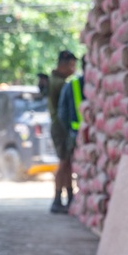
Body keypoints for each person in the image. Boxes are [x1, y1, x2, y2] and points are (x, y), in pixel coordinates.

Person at [48, 50, 77, 214]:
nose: (73, 69)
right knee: (63, 163)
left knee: (67, 164)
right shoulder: (60, 83)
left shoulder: (56, 80)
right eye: (72, 65)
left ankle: (68, 197)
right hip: (60, 127)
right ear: (63, 65)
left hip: (60, 126)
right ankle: (57, 199)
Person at [57, 56, 85, 207]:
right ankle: (63, 198)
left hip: (75, 133)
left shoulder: (75, 83)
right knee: (66, 165)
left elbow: (62, 113)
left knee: (70, 166)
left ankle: (69, 199)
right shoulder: (75, 84)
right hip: (75, 134)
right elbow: (62, 113)